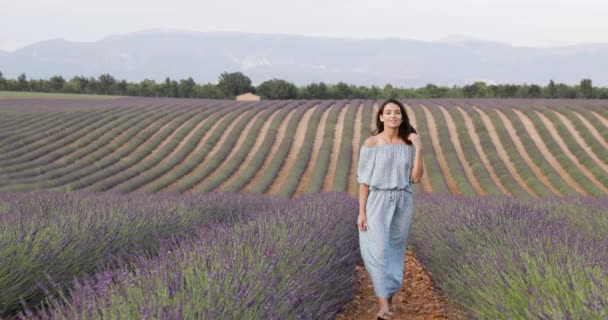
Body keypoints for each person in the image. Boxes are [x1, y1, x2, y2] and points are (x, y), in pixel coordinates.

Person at [356, 98, 424, 319]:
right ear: (381, 117)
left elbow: (415, 178)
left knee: (395, 250)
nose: (393, 115)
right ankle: (383, 306)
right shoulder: (372, 143)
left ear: (402, 117)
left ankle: (389, 300)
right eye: (389, 112)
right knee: (379, 250)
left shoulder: (408, 144)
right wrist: (362, 211)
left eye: (397, 112)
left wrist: (419, 149)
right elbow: (363, 180)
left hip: (403, 201)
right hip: (377, 201)